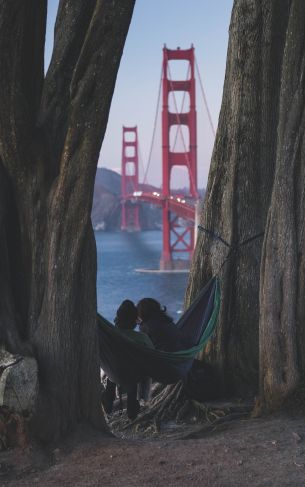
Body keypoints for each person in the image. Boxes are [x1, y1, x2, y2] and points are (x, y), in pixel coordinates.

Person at [101, 299, 153, 420]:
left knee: (113, 368)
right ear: (135, 320)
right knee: (137, 375)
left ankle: (108, 401)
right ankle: (133, 411)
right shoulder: (142, 338)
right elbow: (153, 354)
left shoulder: (110, 335)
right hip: (133, 376)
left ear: (118, 318)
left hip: (113, 373)